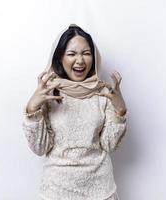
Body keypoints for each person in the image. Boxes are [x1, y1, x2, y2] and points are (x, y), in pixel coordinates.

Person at [22, 24, 127, 200]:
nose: (80, 61)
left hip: (100, 191)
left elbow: (109, 145)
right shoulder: (48, 94)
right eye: (72, 54)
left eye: (86, 53)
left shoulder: (103, 93)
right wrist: (33, 109)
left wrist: (120, 111)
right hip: (56, 191)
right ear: (60, 58)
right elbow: (40, 148)